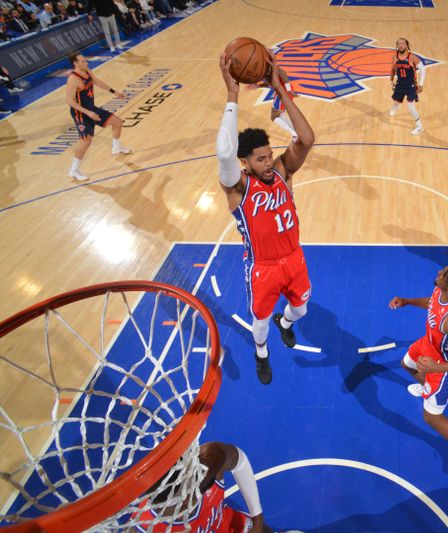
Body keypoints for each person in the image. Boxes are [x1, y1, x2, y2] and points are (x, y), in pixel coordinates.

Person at [216, 53, 315, 385]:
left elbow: (307, 139)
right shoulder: (239, 187)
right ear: (245, 163)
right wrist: (232, 96)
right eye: (261, 158)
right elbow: (224, 154)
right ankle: (261, 354)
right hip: (263, 267)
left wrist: (280, 89)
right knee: (259, 319)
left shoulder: (284, 170)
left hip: (295, 258)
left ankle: (285, 324)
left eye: (270, 154)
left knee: (301, 310)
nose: (270, 161)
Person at [389, 259, 448, 478]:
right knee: (406, 364)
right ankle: (427, 389)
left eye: (444, 272)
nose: (439, 270)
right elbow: (431, 304)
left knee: (431, 418)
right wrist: (407, 301)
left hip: (445, 366)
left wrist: (437, 368)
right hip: (429, 346)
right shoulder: (440, 290)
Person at [134, 441, 272, 532]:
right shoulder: (144, 527)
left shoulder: (206, 465)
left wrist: (257, 518)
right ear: (184, 500)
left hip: (232, 525)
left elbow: (239, 462)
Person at [65, 52, 131, 181]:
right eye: (83, 61)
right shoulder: (73, 79)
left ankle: (116, 148)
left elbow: (97, 82)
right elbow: (70, 101)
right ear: (75, 63)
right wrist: (88, 113)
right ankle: (73, 170)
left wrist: (114, 92)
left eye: (86, 60)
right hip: (81, 113)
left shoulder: (87, 71)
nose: (86, 63)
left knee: (117, 122)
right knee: (86, 141)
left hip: (91, 109)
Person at [388, 37, 425, 135]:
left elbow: (422, 69)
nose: (401, 45)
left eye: (403, 44)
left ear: (407, 45)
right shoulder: (394, 57)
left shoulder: (412, 57)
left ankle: (419, 126)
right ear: (397, 46)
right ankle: (395, 107)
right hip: (400, 83)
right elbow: (392, 69)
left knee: (410, 106)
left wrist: (421, 84)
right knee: (396, 100)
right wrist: (391, 81)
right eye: (399, 44)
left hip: (411, 85)